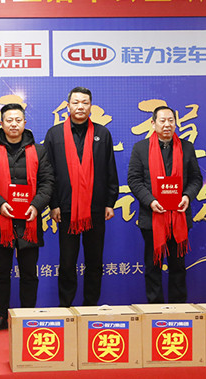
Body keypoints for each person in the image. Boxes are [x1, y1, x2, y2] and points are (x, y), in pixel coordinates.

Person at [0, 103, 54, 332]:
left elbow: (48, 182)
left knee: (29, 273)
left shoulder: (39, 151)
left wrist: (36, 205)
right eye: (9, 120)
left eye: (18, 120)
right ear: (1, 124)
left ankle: (27, 316)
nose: (13, 124)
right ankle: (0, 316)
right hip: (1, 220)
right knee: (1, 273)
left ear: (25, 123)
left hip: (29, 220)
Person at [44, 87, 119, 307]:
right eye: (75, 102)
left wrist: (110, 202)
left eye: (85, 102)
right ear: (68, 106)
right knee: (67, 262)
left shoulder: (102, 134)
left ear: (90, 106)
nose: (80, 107)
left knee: (94, 261)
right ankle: (66, 307)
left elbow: (110, 169)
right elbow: (47, 173)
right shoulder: (54, 134)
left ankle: (90, 306)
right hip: (66, 208)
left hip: (96, 208)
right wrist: (53, 204)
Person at [127, 106, 202, 303]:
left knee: (178, 266)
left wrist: (187, 196)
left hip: (179, 216)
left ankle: (178, 310)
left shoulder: (186, 147)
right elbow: (134, 180)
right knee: (153, 266)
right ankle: (155, 309)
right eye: (162, 121)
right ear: (153, 123)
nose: (167, 124)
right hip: (152, 218)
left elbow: (196, 178)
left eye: (171, 120)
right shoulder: (141, 148)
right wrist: (150, 201)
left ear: (176, 123)